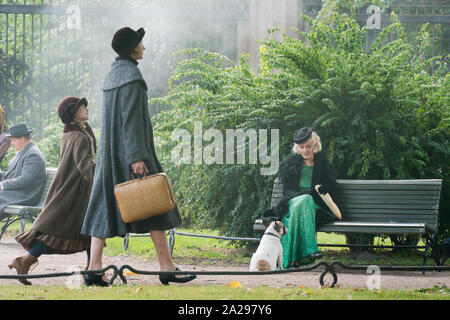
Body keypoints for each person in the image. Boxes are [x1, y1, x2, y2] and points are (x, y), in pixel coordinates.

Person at [81, 26, 196, 286]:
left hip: (111, 159)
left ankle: (93, 268)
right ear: (132, 48)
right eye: (140, 43)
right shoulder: (131, 76)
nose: (144, 47)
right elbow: (131, 120)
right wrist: (137, 157)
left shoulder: (113, 75)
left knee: (104, 210)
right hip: (131, 157)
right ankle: (166, 267)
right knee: (155, 207)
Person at [9, 96, 96, 285]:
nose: (87, 109)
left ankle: (92, 270)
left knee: (85, 230)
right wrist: (102, 172)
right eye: (83, 107)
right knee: (64, 231)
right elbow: (84, 165)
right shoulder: (79, 136)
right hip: (76, 192)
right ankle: (92, 271)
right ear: (73, 112)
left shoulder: (69, 133)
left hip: (69, 189)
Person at [274, 128, 339, 268]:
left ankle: (291, 260)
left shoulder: (323, 165)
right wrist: (302, 196)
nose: (305, 150)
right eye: (301, 147)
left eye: (308, 146)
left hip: (314, 208)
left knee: (307, 201)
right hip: (293, 202)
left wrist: (326, 187)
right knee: (305, 199)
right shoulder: (290, 165)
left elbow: (330, 186)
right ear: (297, 148)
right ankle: (310, 250)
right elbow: (287, 191)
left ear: (315, 146)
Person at [0, 122, 46, 215]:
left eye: (13, 140)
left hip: (25, 195)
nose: (12, 143)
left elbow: (25, 180)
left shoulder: (33, 154)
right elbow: (13, 174)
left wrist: (2, 185)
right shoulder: (25, 151)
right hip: (18, 192)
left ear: (22, 139)